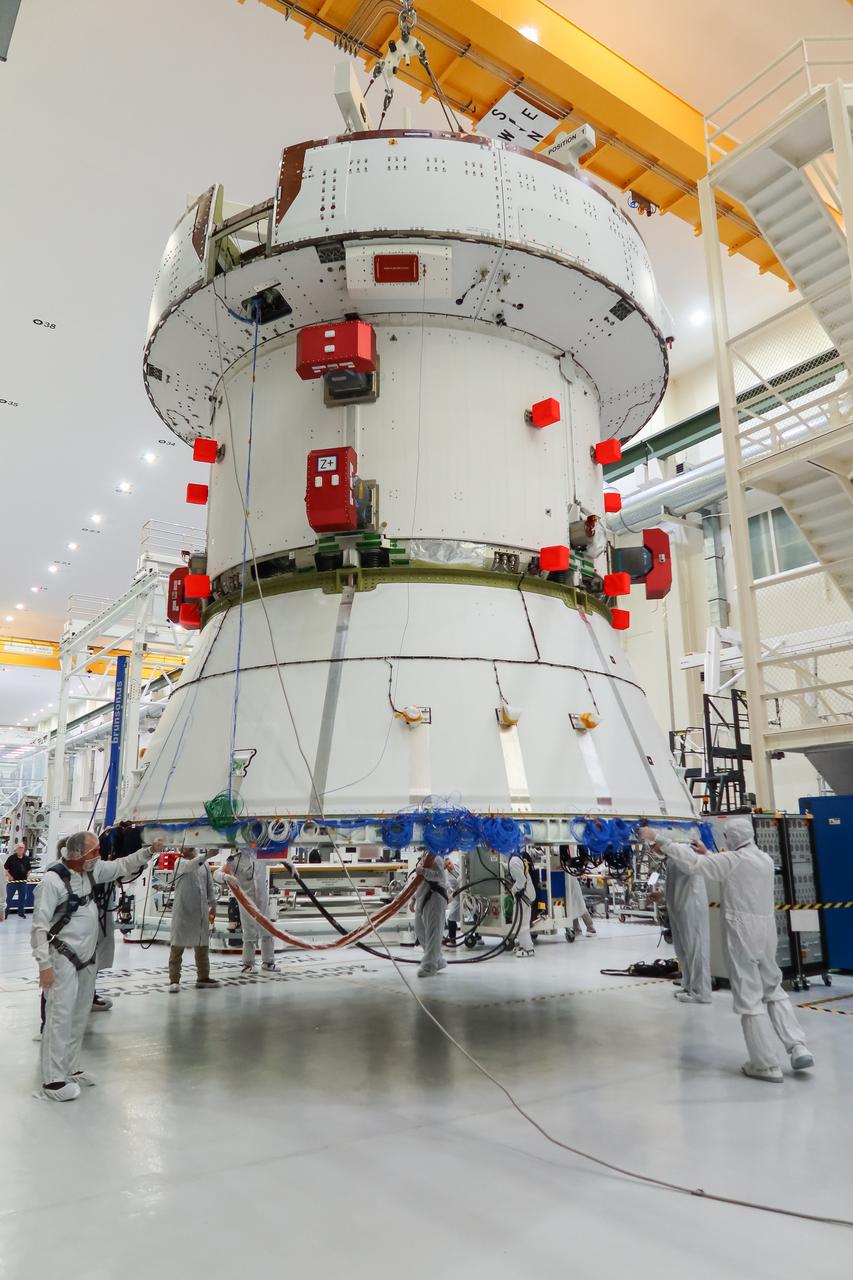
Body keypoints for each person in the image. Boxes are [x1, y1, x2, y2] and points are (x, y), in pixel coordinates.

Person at [639, 817, 814, 1083]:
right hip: (766, 932)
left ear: (731, 838)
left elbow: (695, 864)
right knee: (773, 989)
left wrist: (658, 838)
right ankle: (798, 1046)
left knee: (748, 997)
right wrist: (707, 853)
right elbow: (724, 866)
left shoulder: (732, 860)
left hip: (741, 931)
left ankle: (764, 1064)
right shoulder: (764, 860)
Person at [31, 830, 162, 1102]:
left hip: (87, 958)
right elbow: (39, 927)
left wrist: (149, 851)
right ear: (78, 854)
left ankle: (70, 1066)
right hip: (62, 958)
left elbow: (122, 866)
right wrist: (44, 965)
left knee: (79, 1016)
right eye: (94, 852)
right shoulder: (52, 883)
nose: (98, 856)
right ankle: (53, 1081)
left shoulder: (92, 872)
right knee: (60, 1017)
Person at [168, 847, 220, 992]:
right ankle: (174, 980)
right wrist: (206, 855)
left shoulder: (204, 865)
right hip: (183, 911)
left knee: (202, 946)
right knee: (177, 947)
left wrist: (213, 904)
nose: (189, 850)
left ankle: (203, 977)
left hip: (200, 911)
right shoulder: (179, 862)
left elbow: (209, 885)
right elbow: (190, 866)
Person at [218, 849, 277, 974]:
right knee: (249, 932)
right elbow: (216, 874)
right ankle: (248, 964)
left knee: (267, 930)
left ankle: (268, 962)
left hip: (262, 900)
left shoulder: (262, 856)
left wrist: (286, 858)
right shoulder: (234, 860)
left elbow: (277, 860)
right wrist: (225, 876)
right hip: (246, 901)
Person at [663, 859, 711, 1005]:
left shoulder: (685, 853)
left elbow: (691, 869)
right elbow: (674, 884)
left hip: (691, 905)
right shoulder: (672, 858)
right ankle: (689, 985)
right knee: (683, 950)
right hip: (678, 907)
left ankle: (701, 992)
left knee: (696, 948)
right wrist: (661, 895)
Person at [414, 850, 448, 976]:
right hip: (423, 896)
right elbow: (419, 881)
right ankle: (437, 959)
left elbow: (439, 876)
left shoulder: (436, 857)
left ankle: (429, 966)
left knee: (433, 933)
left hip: (435, 897)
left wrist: (423, 871)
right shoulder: (425, 855)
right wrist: (413, 898)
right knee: (420, 930)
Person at [508, 846, 536, 958]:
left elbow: (521, 881)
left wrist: (513, 890)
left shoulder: (513, 862)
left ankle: (528, 949)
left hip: (524, 895)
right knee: (521, 920)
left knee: (521, 922)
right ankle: (525, 944)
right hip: (527, 893)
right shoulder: (516, 858)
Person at [5, 843, 32, 918]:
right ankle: (6, 913)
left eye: (22, 848)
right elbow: (5, 869)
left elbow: (29, 869)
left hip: (22, 882)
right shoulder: (11, 858)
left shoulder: (26, 858)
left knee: (22, 898)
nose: (21, 849)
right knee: (9, 898)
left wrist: (27, 874)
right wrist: (9, 876)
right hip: (12, 882)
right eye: (19, 848)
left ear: (24, 849)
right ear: (16, 849)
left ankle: (21, 913)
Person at [566, 873, 597, 939]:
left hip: (573, 887)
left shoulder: (568, 868)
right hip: (567, 887)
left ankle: (591, 929)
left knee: (581, 907)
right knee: (571, 908)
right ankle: (576, 929)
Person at [444, 855, 461, 946]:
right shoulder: (446, 876)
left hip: (469, 894)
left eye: (449, 863)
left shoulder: (458, 864)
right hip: (458, 897)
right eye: (447, 866)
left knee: (475, 914)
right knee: (451, 917)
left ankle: (478, 937)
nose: (449, 866)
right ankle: (452, 939)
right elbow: (451, 888)